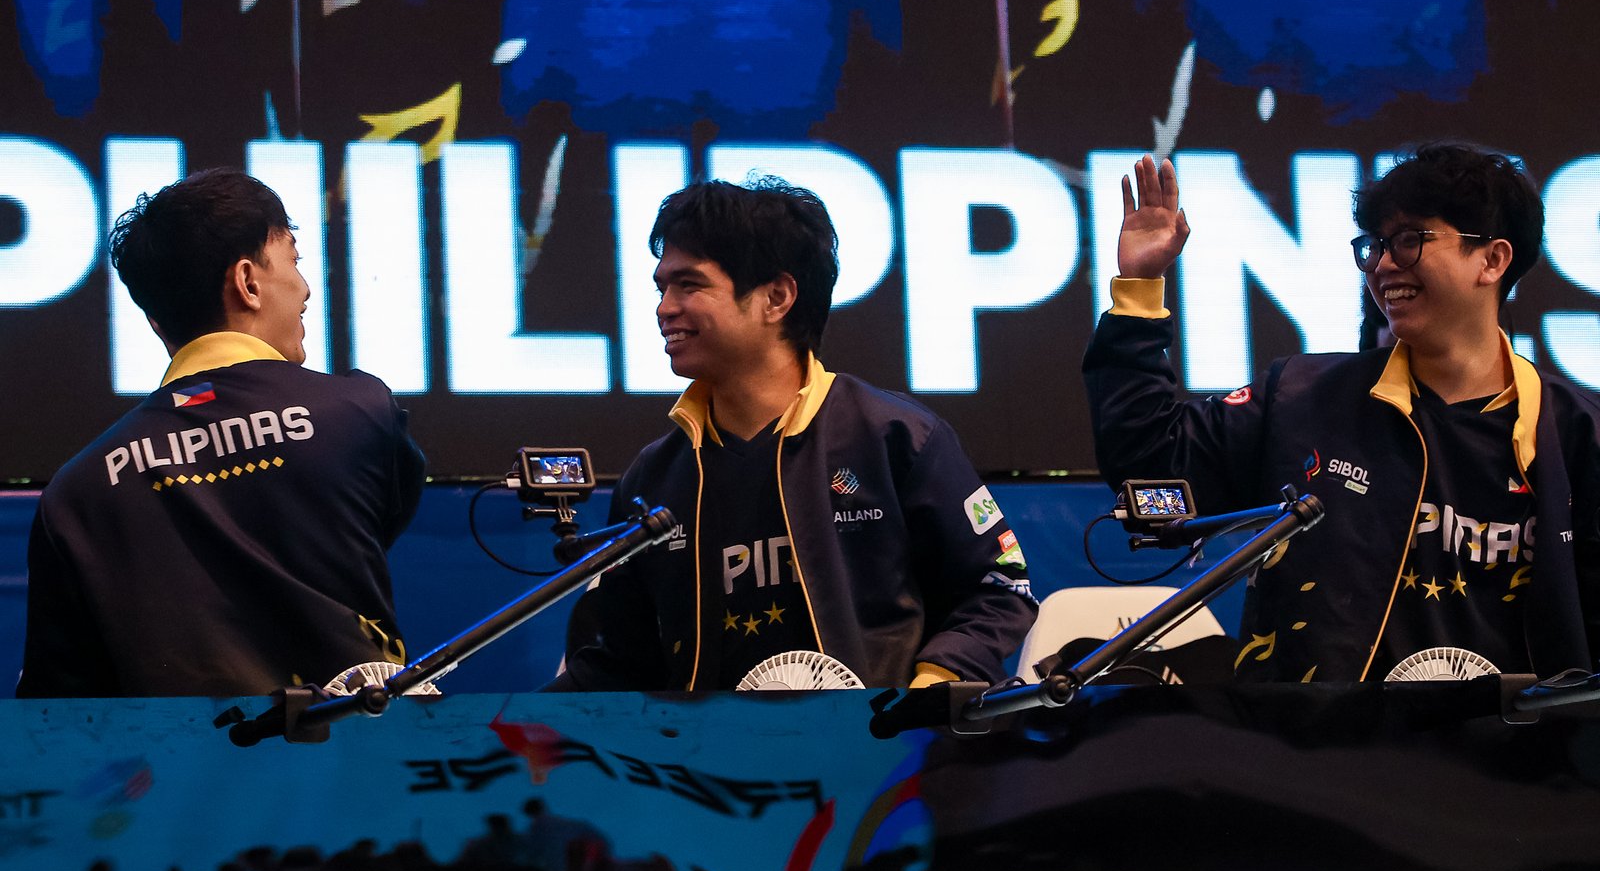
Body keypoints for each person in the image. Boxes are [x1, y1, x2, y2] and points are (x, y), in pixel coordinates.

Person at [1084, 144, 1600, 682]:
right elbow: (1149, 462)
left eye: (1410, 240)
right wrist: (1140, 290)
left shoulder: (1576, 432)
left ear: (1493, 259)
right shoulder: (1300, 395)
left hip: (1511, 759)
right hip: (1312, 753)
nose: (1383, 264)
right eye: (1375, 245)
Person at [556, 177, 1037, 691]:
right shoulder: (652, 478)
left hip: (877, 759)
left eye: (689, 285)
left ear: (777, 297)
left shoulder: (896, 437)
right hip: (704, 767)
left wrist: (932, 687)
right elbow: (614, 661)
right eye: (662, 288)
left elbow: (999, 585)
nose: (664, 308)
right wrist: (491, 733)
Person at [17, 167, 425, 697]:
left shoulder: (76, 493)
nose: (305, 289)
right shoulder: (360, 411)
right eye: (295, 262)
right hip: (358, 769)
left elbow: (57, 713)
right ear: (248, 283)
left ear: (156, 322)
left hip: (172, 778)